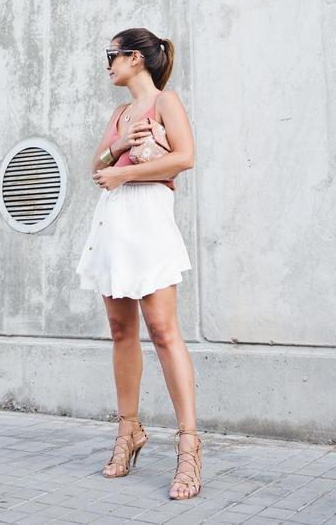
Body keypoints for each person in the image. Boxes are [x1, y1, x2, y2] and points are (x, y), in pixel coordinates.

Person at [76, 27, 202, 500]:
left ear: (136, 57)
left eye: (112, 55)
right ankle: (128, 430)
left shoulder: (165, 102)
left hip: (149, 219)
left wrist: (124, 169)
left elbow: (185, 159)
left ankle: (189, 445)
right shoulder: (121, 112)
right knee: (121, 329)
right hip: (114, 221)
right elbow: (96, 168)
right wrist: (120, 141)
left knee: (163, 329)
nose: (107, 63)